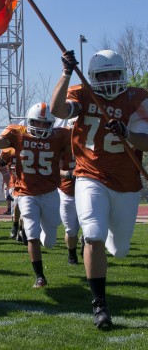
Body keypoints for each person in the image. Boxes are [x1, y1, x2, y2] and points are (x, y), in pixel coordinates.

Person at [50, 49, 148, 329]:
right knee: (92, 233)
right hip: (89, 175)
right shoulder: (82, 93)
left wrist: (128, 134)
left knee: (119, 250)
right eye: (102, 75)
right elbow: (58, 110)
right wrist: (66, 73)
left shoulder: (138, 98)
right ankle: (100, 305)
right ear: (92, 76)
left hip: (127, 183)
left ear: (123, 74)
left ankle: (99, 247)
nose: (108, 80)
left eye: (113, 74)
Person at [0, 103, 71, 288]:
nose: (41, 127)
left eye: (46, 124)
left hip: (50, 192)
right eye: (37, 123)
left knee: (51, 239)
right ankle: (40, 276)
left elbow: (81, 147)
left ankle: (42, 238)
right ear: (29, 121)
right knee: (32, 234)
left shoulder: (61, 135)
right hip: (26, 192)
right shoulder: (17, 132)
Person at [58, 118, 79, 265]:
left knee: (91, 227)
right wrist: (68, 173)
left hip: (87, 191)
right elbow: (55, 169)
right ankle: (72, 253)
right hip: (67, 191)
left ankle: (87, 245)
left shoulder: (91, 144)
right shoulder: (62, 147)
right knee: (71, 230)